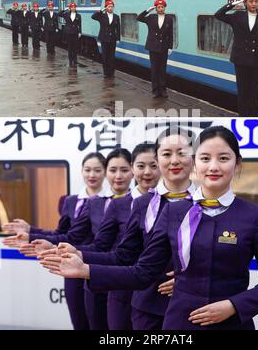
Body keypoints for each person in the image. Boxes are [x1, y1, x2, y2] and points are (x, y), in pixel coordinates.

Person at [43, 126, 258, 330]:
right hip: (178, 324)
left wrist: (234, 305)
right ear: (195, 164)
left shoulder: (255, 216)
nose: (213, 166)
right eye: (205, 158)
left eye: (223, 158)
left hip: (233, 324)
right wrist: (86, 269)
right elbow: (142, 271)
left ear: (237, 165)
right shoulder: (174, 212)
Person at [41, 127, 197, 331]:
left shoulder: (207, 205)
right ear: (159, 160)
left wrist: (194, 280)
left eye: (182, 153)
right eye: (167, 154)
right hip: (146, 307)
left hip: (193, 307)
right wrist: (80, 256)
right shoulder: (142, 205)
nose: (174, 160)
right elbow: (123, 256)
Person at [3, 153, 107, 331]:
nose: (92, 175)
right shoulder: (71, 201)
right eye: (88, 170)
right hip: (70, 265)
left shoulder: (111, 201)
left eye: (97, 170)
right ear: (81, 171)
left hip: (99, 265)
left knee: (100, 322)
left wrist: (32, 235)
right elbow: (62, 233)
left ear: (104, 173)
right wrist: (31, 231)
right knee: (78, 320)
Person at [215, 0, 258, 117]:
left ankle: (253, 116)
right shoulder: (237, 16)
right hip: (240, 60)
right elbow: (218, 15)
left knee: (255, 91)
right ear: (246, 2)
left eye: (256, 1)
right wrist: (233, 3)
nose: (254, 4)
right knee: (243, 91)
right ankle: (243, 116)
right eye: (251, 1)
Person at [137, 0, 173, 98]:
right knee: (154, 69)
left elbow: (170, 34)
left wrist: (170, 47)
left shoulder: (169, 18)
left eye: (162, 7)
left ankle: (163, 90)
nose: (161, 9)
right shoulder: (151, 17)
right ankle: (155, 90)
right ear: (156, 8)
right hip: (153, 47)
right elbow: (139, 18)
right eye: (159, 7)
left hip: (164, 47)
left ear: (165, 8)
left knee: (162, 69)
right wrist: (147, 11)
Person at [91, 0, 120, 79]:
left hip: (113, 39)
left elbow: (118, 28)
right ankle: (106, 73)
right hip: (104, 38)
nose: (110, 8)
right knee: (105, 56)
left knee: (112, 57)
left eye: (112, 7)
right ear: (106, 8)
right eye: (109, 7)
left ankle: (112, 73)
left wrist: (118, 39)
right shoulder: (102, 16)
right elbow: (93, 16)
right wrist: (101, 11)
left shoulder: (116, 17)